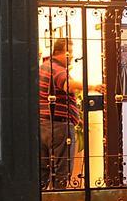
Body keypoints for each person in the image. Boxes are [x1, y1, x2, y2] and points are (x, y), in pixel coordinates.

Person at [38, 39, 102, 190]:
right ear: (61, 53)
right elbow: (68, 85)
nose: (72, 56)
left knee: (43, 167)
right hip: (59, 126)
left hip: (43, 124)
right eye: (70, 52)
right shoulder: (57, 69)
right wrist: (93, 87)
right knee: (62, 168)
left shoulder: (43, 67)